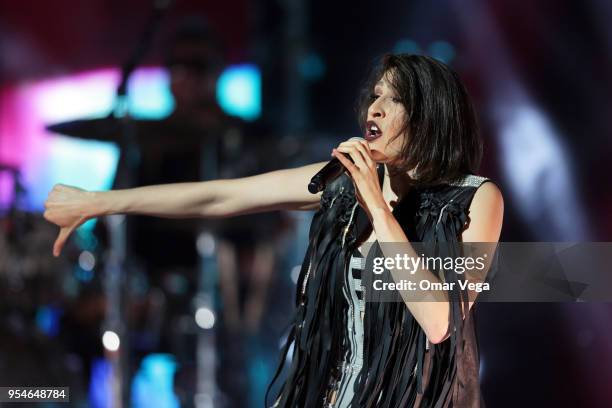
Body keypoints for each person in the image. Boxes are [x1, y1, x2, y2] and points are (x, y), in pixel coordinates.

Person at [44, 53, 504, 407]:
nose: (375, 108)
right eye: (375, 95)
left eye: (394, 98)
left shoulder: (474, 199)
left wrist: (379, 211)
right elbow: (221, 196)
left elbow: (440, 320)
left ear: (429, 115)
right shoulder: (343, 187)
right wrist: (99, 203)